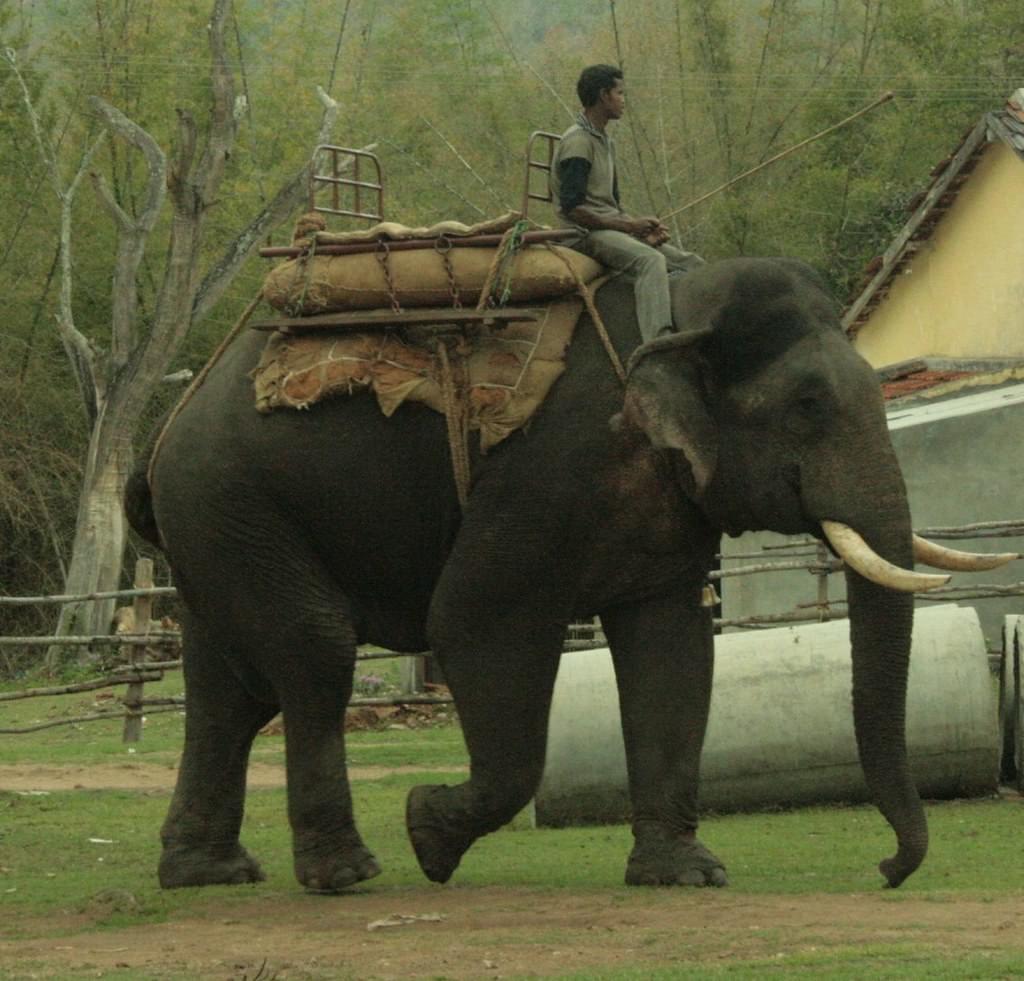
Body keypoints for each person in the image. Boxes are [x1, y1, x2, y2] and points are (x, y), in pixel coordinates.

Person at [550, 64, 704, 344]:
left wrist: (638, 230)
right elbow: (573, 209)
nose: (624, 100)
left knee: (692, 263)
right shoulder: (578, 143)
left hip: (607, 228)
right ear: (603, 95)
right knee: (650, 260)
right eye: (620, 93)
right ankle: (658, 343)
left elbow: (610, 204)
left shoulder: (604, 141)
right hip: (583, 235)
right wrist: (628, 226)